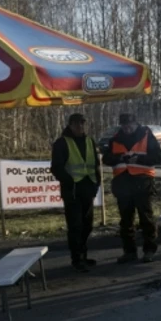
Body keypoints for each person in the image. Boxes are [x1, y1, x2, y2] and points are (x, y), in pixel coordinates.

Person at [102, 114, 161, 264]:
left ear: (136, 124)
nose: (127, 128)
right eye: (124, 126)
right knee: (126, 221)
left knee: (146, 218)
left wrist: (139, 159)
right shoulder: (116, 138)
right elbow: (106, 159)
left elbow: (158, 157)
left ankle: (149, 250)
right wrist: (120, 158)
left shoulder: (146, 135)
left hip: (143, 182)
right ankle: (129, 252)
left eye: (130, 125)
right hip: (123, 184)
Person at [50, 113, 102, 273]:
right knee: (75, 226)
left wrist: (96, 183)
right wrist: (69, 182)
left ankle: (84, 255)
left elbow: (95, 165)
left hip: (88, 188)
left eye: (82, 124)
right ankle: (77, 258)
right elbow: (56, 168)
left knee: (87, 225)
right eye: (77, 124)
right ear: (70, 125)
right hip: (72, 191)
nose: (80, 127)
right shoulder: (61, 143)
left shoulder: (89, 141)